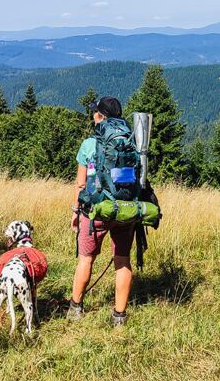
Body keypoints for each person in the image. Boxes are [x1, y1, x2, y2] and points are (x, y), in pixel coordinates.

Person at [67, 96, 134, 326]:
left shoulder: (88, 144)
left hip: (95, 209)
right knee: (123, 261)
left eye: (95, 112)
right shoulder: (130, 142)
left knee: (86, 259)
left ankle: (75, 308)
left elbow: (80, 184)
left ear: (100, 116)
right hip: (125, 209)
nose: (93, 115)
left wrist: (76, 211)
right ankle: (119, 317)